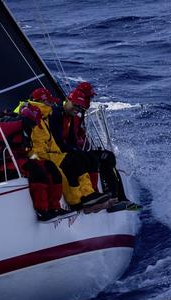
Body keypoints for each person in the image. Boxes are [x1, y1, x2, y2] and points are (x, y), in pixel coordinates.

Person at [16, 88, 111, 212]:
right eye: (49, 102)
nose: (52, 105)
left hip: (46, 153)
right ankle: (76, 202)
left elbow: (51, 141)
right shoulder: (30, 115)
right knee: (68, 163)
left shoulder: (42, 116)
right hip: (36, 155)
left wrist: (60, 152)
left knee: (76, 159)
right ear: (41, 101)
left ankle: (89, 195)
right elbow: (33, 146)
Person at [54, 82, 139, 212]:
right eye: (89, 96)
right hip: (61, 153)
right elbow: (63, 140)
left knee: (107, 156)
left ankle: (118, 197)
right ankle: (104, 197)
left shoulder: (77, 113)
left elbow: (75, 137)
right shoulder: (67, 115)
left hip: (73, 149)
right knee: (99, 158)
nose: (90, 100)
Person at [0, 104, 66, 221]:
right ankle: (42, 210)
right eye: (33, 123)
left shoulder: (23, 131)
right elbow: (7, 126)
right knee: (36, 170)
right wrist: (24, 121)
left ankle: (54, 207)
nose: (33, 127)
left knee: (49, 167)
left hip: (16, 162)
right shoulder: (5, 126)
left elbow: (28, 151)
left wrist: (39, 161)